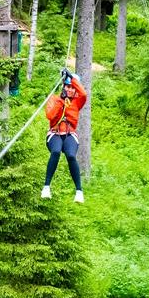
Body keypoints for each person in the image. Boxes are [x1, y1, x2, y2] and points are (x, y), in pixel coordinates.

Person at [43, 70, 88, 203]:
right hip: (55, 133)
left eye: (72, 87)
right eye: (67, 86)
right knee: (56, 151)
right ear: (63, 87)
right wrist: (61, 101)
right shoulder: (54, 99)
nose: (69, 89)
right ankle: (46, 187)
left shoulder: (77, 102)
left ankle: (79, 191)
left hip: (70, 134)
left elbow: (84, 94)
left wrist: (72, 79)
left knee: (71, 155)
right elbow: (50, 116)